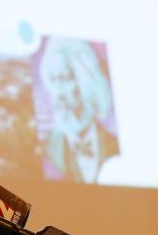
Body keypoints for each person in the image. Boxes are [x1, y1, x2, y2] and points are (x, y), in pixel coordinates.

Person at [37, 37, 119, 183]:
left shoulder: (115, 146)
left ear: (87, 82)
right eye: (53, 80)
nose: (58, 94)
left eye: (64, 79)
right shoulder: (46, 151)